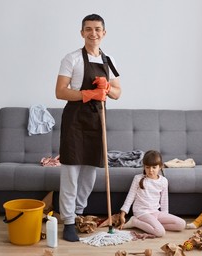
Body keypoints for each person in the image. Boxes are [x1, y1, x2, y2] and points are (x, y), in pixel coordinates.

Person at [55, 14, 121, 242]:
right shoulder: (71, 58)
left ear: (104, 33)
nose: (93, 33)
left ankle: (80, 213)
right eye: (88, 29)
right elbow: (60, 91)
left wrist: (107, 88)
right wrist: (87, 94)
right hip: (74, 121)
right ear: (82, 33)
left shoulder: (109, 60)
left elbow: (118, 93)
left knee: (89, 174)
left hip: (97, 121)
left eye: (97, 29)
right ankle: (69, 221)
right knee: (71, 173)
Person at [118, 150, 186, 237]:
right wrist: (122, 214)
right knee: (160, 232)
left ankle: (154, 226)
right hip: (142, 212)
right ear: (144, 167)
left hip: (155, 212)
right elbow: (130, 197)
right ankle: (134, 222)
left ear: (160, 166)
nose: (150, 171)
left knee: (181, 224)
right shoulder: (138, 178)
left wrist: (165, 216)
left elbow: (164, 201)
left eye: (154, 167)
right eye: (147, 167)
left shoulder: (163, 181)